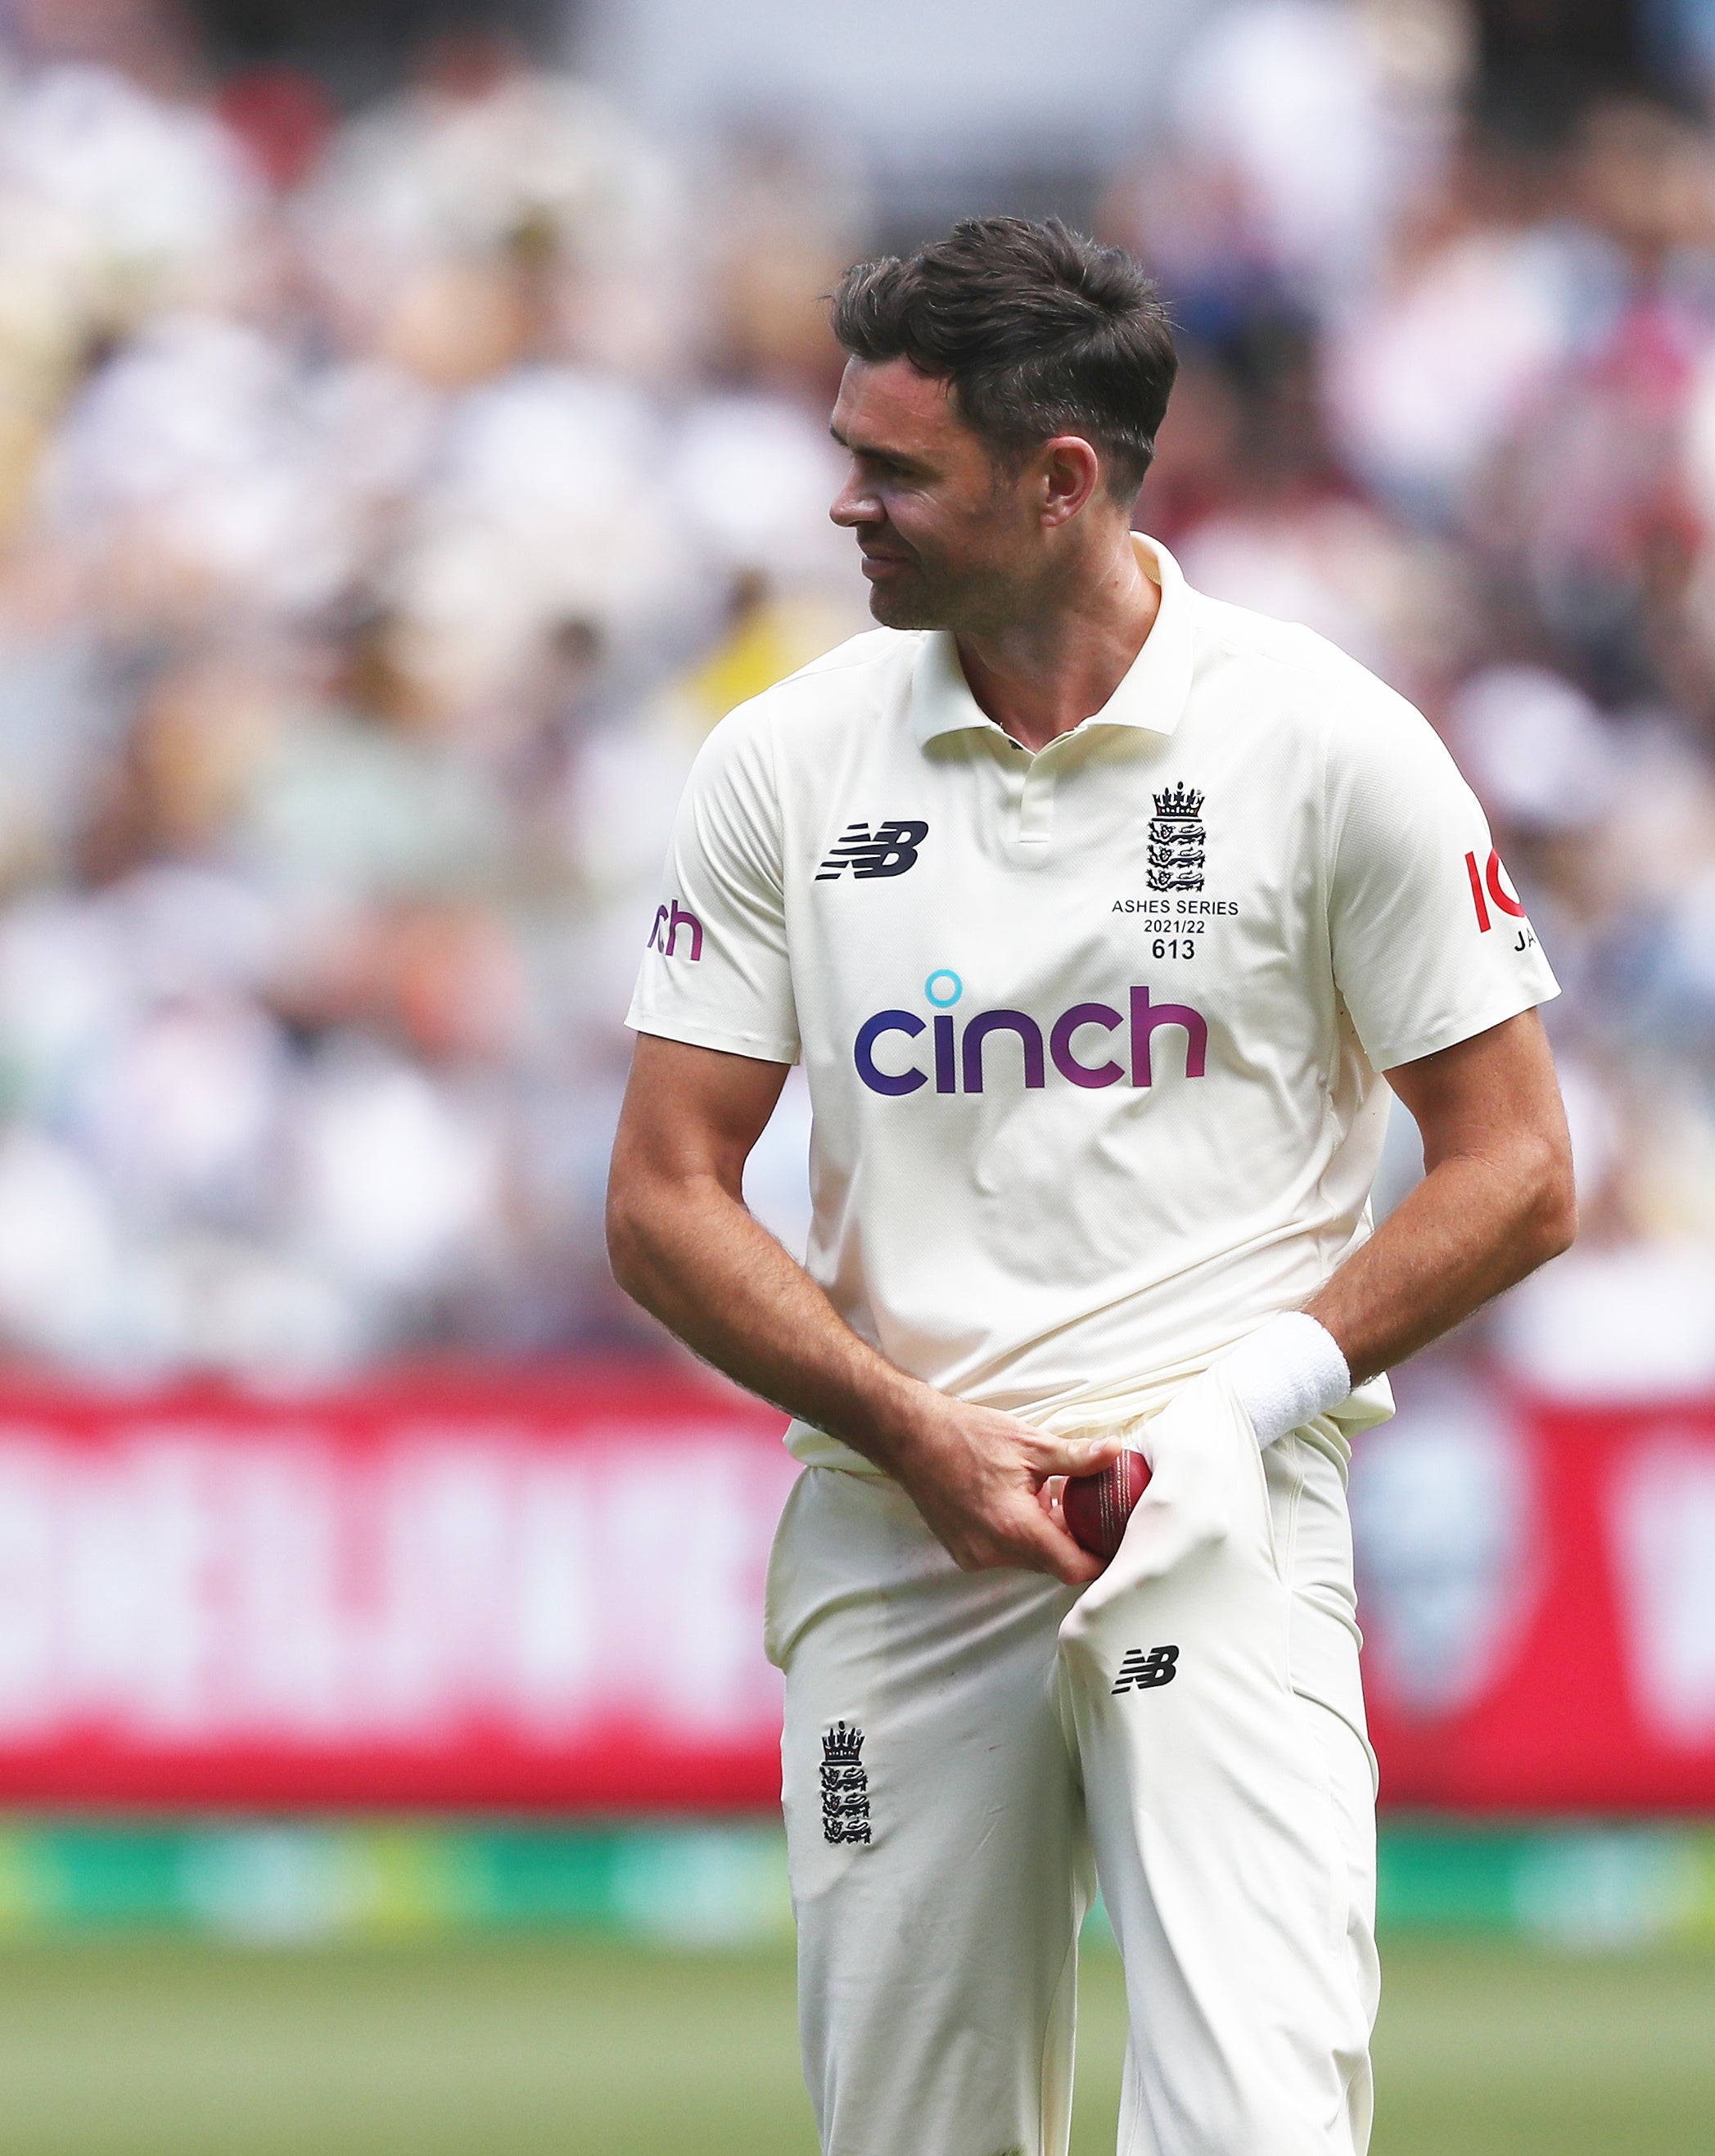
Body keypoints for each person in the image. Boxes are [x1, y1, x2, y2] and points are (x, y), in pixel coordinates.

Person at [604, 218, 1572, 2156]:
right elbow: (661, 1196)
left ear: (1061, 484)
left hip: (1219, 1520)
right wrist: (912, 1428)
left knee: (1253, 2135)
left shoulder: (1326, 742)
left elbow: (1523, 1170)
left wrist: (1232, 1409)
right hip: (902, 1538)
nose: (843, 505)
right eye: (848, 451)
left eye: (895, 472)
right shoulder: (782, 763)